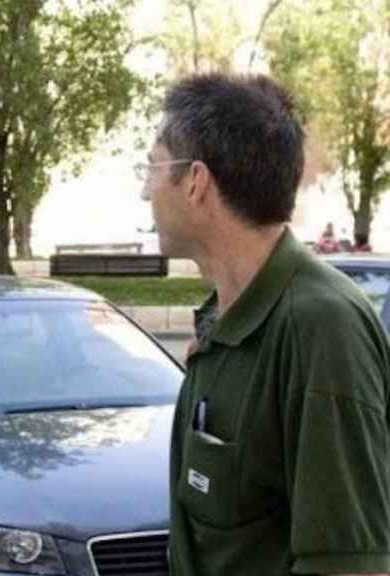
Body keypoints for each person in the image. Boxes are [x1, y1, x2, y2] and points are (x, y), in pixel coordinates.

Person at [139, 73, 390, 576]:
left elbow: (350, 568)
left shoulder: (321, 327)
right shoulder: (225, 321)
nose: (145, 190)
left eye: (151, 167)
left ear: (195, 182)